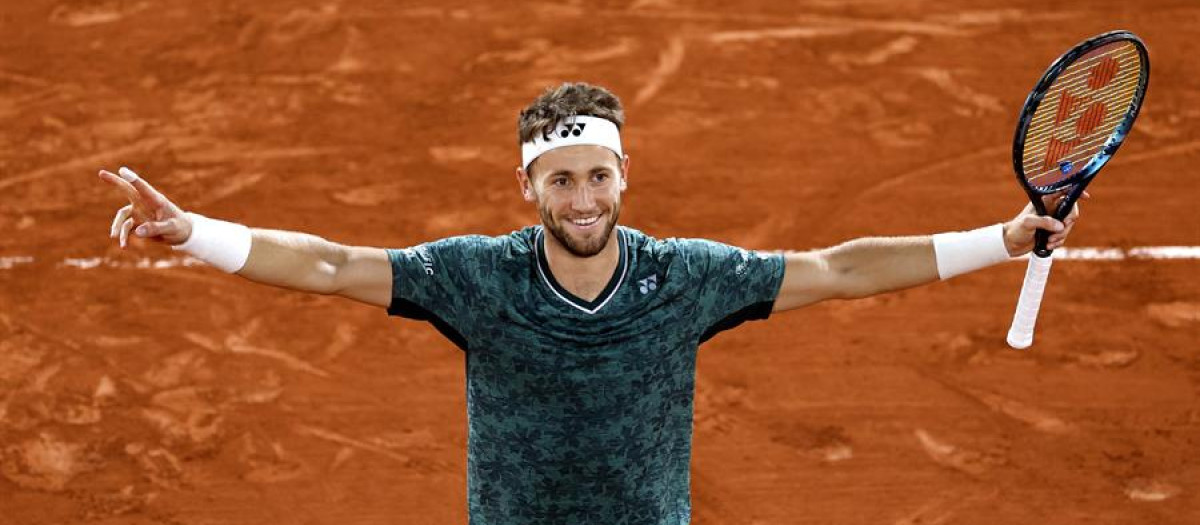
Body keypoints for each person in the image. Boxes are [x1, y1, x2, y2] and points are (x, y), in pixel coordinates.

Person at [100, 82, 1079, 525]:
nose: (583, 200)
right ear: (531, 187)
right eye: (561, 180)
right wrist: (196, 234)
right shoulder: (472, 278)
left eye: (597, 176)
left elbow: (840, 269)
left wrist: (998, 239)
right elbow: (327, 265)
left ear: (622, 178)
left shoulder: (684, 277)